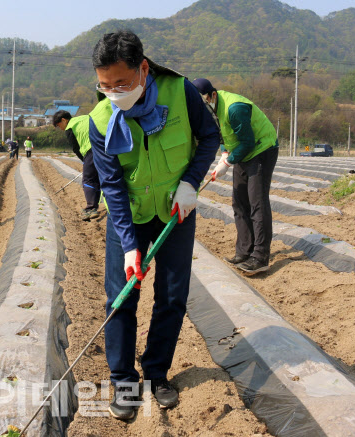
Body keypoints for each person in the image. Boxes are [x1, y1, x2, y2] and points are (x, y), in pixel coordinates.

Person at [88, 30, 220, 420]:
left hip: (176, 211)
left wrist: (190, 182)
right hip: (129, 218)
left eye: (122, 83)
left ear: (144, 69)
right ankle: (124, 381)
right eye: (105, 85)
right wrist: (129, 244)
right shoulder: (100, 120)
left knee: (173, 295)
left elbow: (210, 136)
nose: (114, 93)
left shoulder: (181, 92)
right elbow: (111, 184)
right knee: (122, 297)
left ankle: (157, 374)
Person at [191, 78, 279, 275]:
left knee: (257, 202)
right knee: (239, 202)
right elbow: (223, 134)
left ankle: (260, 256)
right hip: (242, 150)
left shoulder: (235, 108)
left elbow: (247, 142)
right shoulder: (210, 110)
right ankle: (244, 251)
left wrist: (228, 162)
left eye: (204, 101)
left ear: (212, 95)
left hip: (261, 148)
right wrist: (224, 154)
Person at [53, 110, 101, 221]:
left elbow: (76, 148)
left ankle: (91, 208)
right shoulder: (85, 117)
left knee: (88, 180)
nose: (60, 128)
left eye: (59, 125)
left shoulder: (70, 127)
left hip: (91, 149)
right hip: (105, 146)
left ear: (64, 120)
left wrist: (85, 162)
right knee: (101, 178)